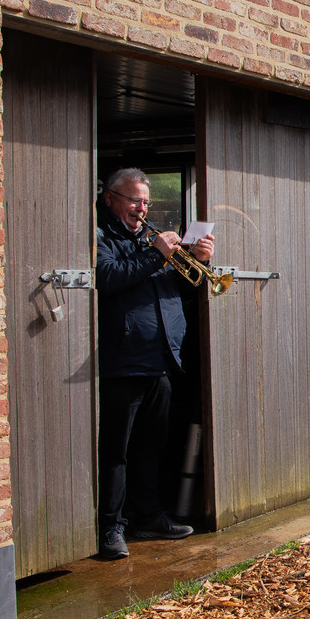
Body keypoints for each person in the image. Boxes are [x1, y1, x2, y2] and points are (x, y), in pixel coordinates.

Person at [95, 168, 211, 559]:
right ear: (110, 198)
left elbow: (178, 287)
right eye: (133, 200)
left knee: (151, 445)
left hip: (160, 360)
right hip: (122, 361)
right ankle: (111, 527)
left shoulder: (150, 239)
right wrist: (155, 253)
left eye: (145, 201)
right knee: (117, 452)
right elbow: (108, 279)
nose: (141, 208)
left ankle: (148, 515)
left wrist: (195, 260)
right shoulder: (99, 236)